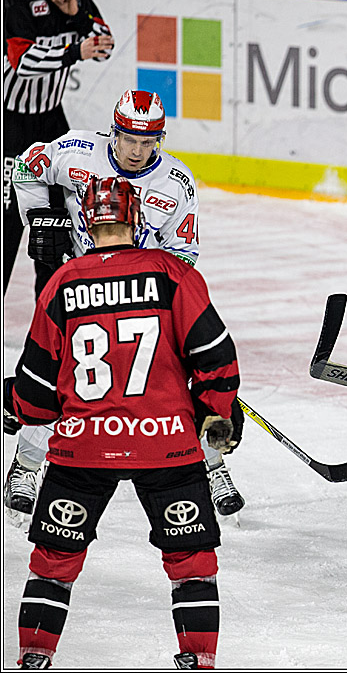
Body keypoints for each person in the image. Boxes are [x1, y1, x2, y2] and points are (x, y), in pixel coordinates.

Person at [2, 175, 240, 669]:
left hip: (81, 448)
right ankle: (198, 660)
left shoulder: (62, 283)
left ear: (87, 222)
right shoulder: (172, 273)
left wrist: (21, 409)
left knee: (53, 564)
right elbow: (215, 353)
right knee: (192, 565)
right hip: (168, 445)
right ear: (137, 218)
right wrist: (217, 409)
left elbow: (36, 389)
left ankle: (33, 657)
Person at [4, 89, 246, 527]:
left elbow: (183, 253)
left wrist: (149, 275)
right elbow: (24, 168)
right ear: (112, 132)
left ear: (161, 139)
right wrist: (40, 217)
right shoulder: (75, 149)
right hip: (83, 284)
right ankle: (25, 467)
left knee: (171, 380)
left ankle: (210, 465)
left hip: (146, 295)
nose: (137, 151)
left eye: (147, 142)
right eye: (128, 139)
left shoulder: (176, 183)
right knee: (71, 374)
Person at [4, 0, 114, 297]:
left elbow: (105, 46)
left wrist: (77, 12)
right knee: (8, 222)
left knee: (56, 220)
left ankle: (49, 316)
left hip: (51, 122)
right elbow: (21, 61)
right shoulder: (14, 0)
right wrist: (75, 51)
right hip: (10, 125)